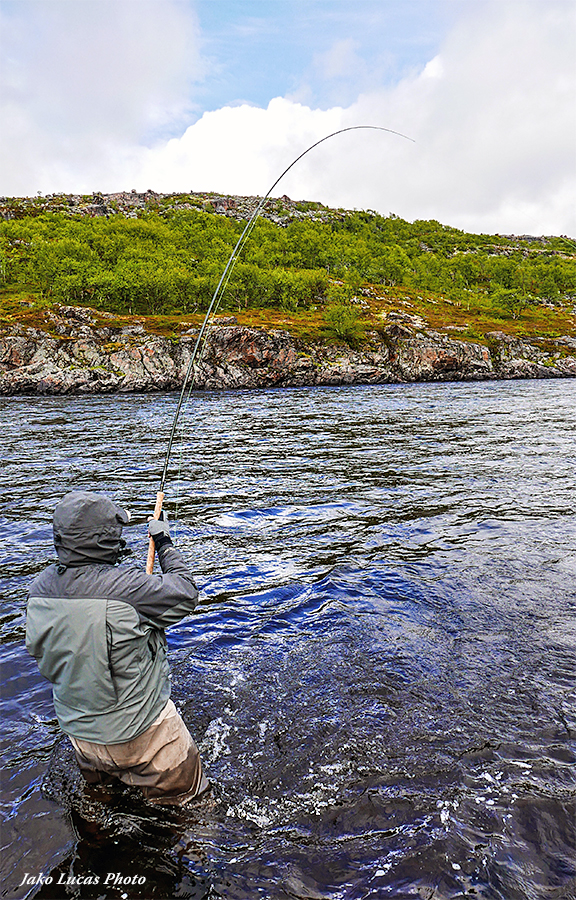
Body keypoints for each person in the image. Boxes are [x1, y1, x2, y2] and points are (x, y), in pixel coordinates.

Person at [25, 490, 209, 806]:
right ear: (106, 538)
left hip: (82, 738)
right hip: (146, 736)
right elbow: (186, 592)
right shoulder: (130, 588)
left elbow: (38, 650)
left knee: (99, 806)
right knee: (192, 808)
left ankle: (96, 844)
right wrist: (164, 543)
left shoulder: (38, 591)